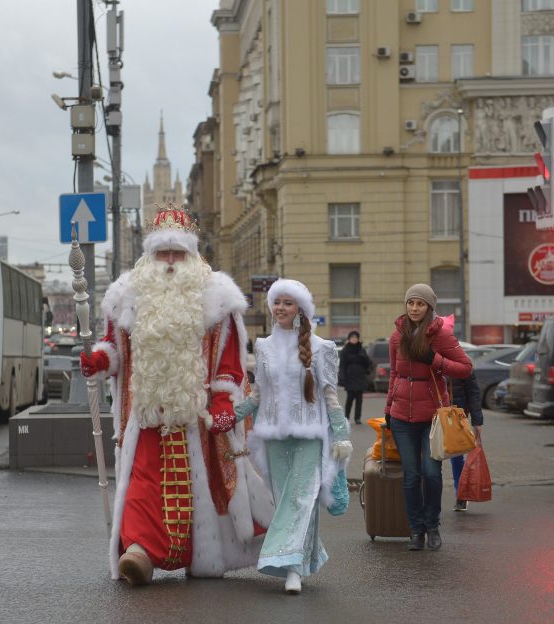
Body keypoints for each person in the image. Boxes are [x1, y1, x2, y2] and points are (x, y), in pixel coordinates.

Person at [79, 204, 273, 586]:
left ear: (192, 255)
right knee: (142, 484)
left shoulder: (218, 297)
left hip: (195, 419)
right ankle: (139, 551)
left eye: (177, 253)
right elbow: (114, 348)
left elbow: (230, 363)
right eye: (163, 253)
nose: (170, 262)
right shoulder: (125, 295)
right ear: (149, 255)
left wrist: (221, 403)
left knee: (199, 492)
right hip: (147, 413)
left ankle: (198, 556)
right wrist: (99, 360)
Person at [234, 279, 351, 594]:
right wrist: (232, 416)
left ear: (300, 309)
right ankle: (300, 560)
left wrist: (341, 434)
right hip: (275, 439)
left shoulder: (322, 348)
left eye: (287, 303)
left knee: (303, 499)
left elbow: (329, 397)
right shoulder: (263, 346)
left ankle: (292, 571)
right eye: (277, 302)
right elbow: (258, 394)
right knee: (287, 501)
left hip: (309, 437)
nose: (280, 308)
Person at [383, 283, 472, 551]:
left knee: (432, 474)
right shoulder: (397, 337)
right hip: (401, 418)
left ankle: (432, 526)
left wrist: (435, 359)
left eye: (420, 304)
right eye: (410, 303)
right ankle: (416, 530)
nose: (414, 308)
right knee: (410, 476)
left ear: (429, 307)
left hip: (433, 419)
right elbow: (394, 375)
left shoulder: (441, 336)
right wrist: (388, 408)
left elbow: (466, 368)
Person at [448, 372, 483, 512]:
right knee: (432, 457)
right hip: (432, 413)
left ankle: (461, 494)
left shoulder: (462, 362)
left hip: (457, 414)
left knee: (456, 456)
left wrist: (477, 421)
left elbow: (473, 393)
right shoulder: (429, 357)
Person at [338, 331, 372, 425]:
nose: (354, 339)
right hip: (350, 377)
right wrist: (342, 377)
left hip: (360, 376)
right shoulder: (345, 350)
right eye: (352, 337)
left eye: (356, 337)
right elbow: (342, 365)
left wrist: (364, 357)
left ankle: (357, 418)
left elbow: (368, 363)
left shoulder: (361, 349)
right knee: (350, 399)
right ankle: (347, 417)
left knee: (359, 399)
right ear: (349, 339)